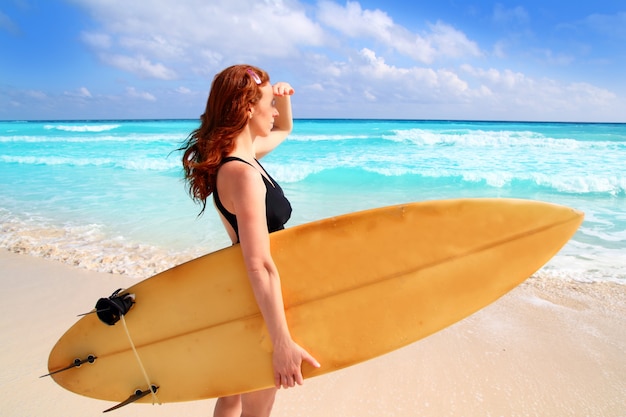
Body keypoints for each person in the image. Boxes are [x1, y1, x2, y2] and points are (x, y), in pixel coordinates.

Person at [180, 64, 320, 417]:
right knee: (257, 407)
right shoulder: (242, 173)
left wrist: (283, 98)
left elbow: (285, 127)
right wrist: (281, 342)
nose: (273, 111)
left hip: (241, 295)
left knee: (233, 394)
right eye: (268, 103)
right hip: (257, 301)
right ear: (246, 108)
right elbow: (259, 264)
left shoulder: (243, 158)